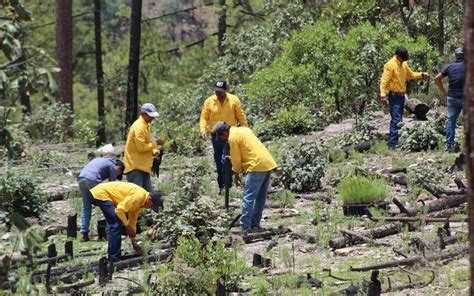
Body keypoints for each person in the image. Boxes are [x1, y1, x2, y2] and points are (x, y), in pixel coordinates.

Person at [213, 121, 277, 231]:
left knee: (248, 197)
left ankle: (245, 227)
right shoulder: (244, 130)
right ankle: (255, 224)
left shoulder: (232, 138)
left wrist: (236, 174)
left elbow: (236, 160)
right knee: (260, 197)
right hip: (267, 162)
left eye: (222, 137)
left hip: (255, 165)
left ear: (224, 133)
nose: (224, 139)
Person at [90, 181, 164, 262]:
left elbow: (132, 221)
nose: (150, 208)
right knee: (116, 224)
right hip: (102, 193)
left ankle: (113, 256)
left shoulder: (141, 202)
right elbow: (120, 210)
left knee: (116, 223)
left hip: (105, 194)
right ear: (149, 199)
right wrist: (126, 225)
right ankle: (114, 258)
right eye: (152, 206)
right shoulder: (138, 197)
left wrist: (133, 241)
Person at [199, 80, 249, 194]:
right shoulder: (209, 101)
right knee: (218, 161)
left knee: (228, 159)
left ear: (225, 90)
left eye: (220, 92)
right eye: (216, 91)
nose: (218, 93)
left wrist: (246, 129)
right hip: (216, 135)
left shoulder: (233, 100)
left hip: (231, 134)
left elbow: (240, 116)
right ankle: (221, 185)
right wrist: (203, 130)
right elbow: (204, 117)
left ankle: (228, 184)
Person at [380, 47, 429, 149]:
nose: (404, 60)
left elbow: (410, 75)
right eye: (402, 58)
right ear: (398, 56)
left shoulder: (404, 64)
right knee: (396, 120)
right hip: (394, 96)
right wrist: (383, 95)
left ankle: (396, 142)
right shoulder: (390, 65)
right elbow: (383, 82)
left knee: (399, 119)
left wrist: (421, 75)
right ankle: (392, 145)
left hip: (402, 96)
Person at [77, 158, 125, 242]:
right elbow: (113, 186)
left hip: (81, 178)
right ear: (119, 167)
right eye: (119, 174)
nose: (117, 176)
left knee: (86, 206)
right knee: (107, 206)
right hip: (92, 179)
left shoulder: (103, 161)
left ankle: (84, 234)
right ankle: (109, 233)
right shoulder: (113, 166)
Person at [124, 103, 164, 192]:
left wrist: (155, 151)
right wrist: (155, 143)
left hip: (143, 166)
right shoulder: (139, 127)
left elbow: (147, 143)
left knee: (149, 197)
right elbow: (141, 147)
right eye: (150, 116)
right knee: (137, 197)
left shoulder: (146, 125)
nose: (152, 118)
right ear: (143, 114)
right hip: (135, 167)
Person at [434, 48, 466, 153]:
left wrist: (444, 91)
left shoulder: (449, 66)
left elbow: (436, 78)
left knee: (451, 121)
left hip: (452, 98)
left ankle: (450, 146)